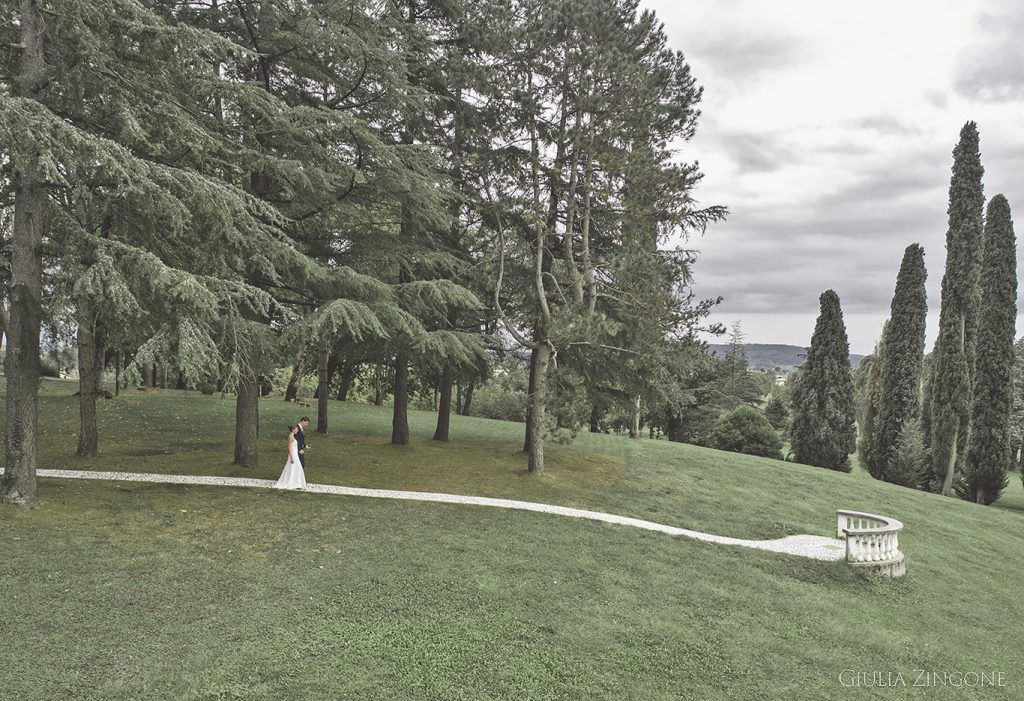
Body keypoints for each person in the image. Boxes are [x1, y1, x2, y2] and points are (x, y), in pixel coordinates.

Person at [274, 424, 306, 490]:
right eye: (296, 429)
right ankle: (293, 482)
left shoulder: (293, 436)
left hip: (295, 454)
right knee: (296, 467)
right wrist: (291, 457)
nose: (297, 430)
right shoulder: (291, 437)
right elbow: (289, 447)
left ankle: (297, 482)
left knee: (297, 467)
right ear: (293, 430)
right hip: (293, 454)